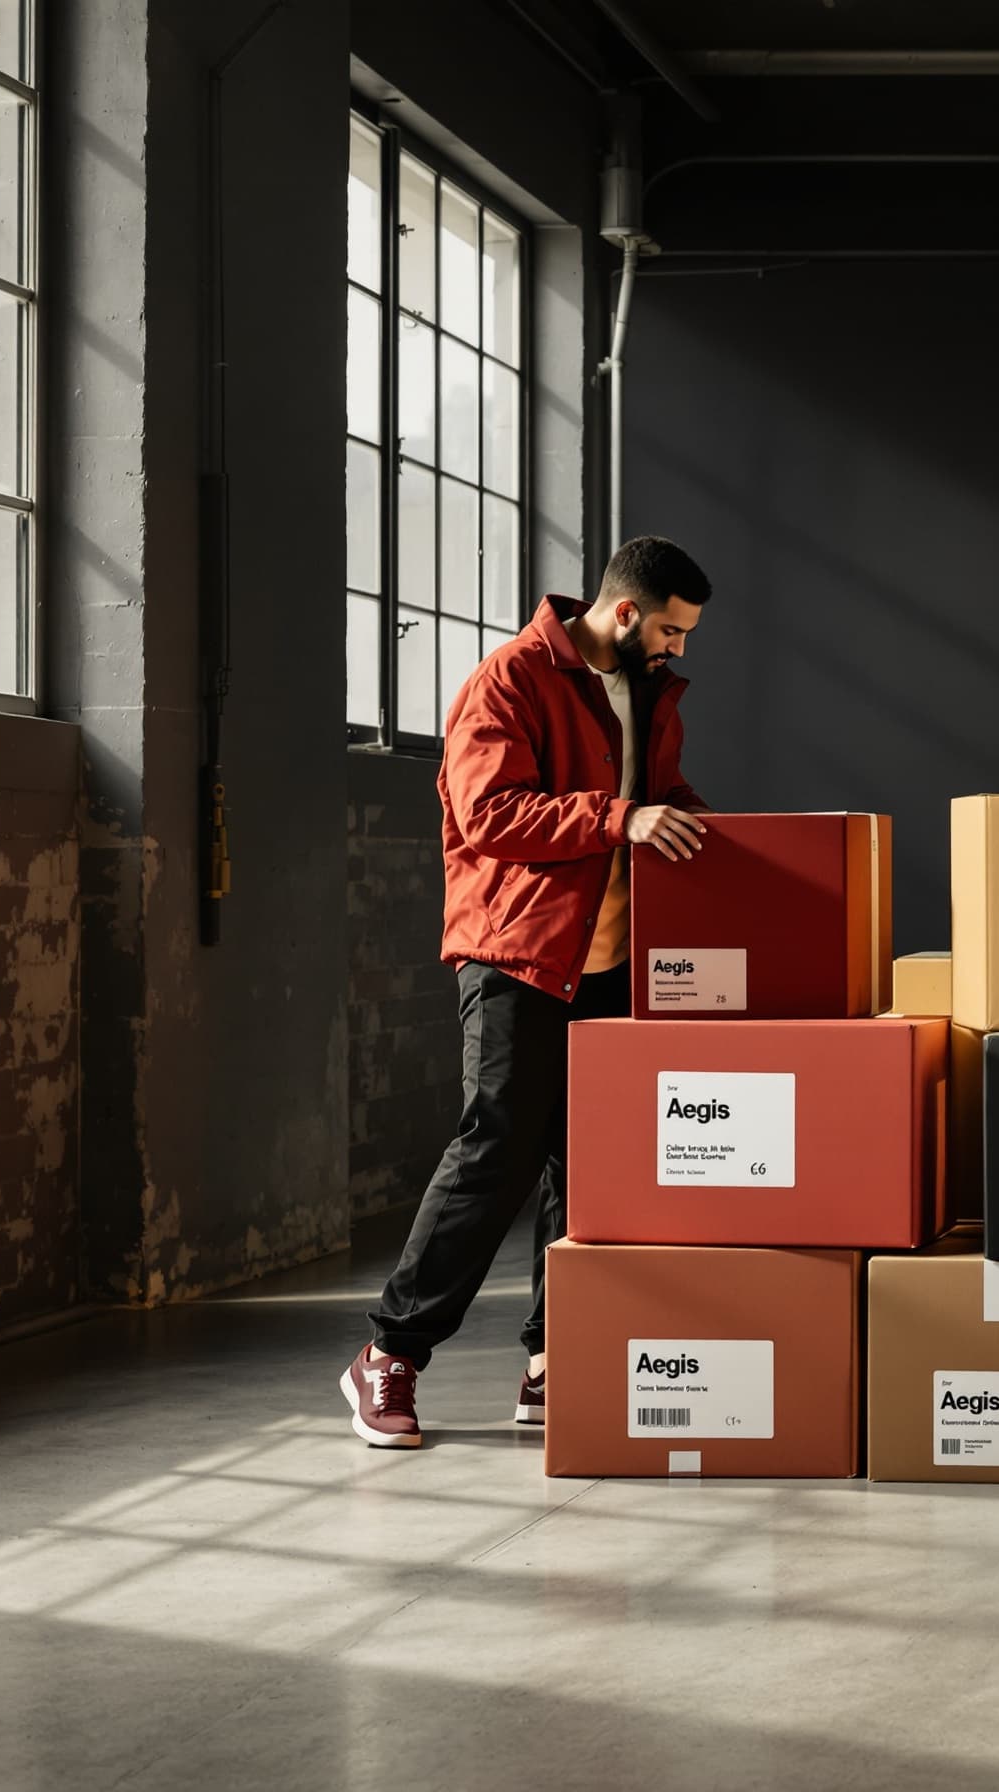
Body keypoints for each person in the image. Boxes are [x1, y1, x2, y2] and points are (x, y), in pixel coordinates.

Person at [341, 536, 716, 1449]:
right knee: (499, 1145)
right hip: (517, 954)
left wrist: (704, 825)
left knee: (586, 1163)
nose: (679, 650)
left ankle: (554, 1359)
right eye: (670, 629)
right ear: (624, 612)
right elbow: (489, 814)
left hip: (612, 962)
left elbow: (659, 796)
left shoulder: (652, 694)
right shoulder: (510, 679)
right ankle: (389, 1353)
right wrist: (622, 816)